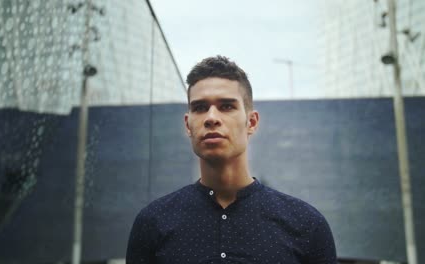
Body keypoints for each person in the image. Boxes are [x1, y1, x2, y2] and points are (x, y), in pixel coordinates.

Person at [126, 56, 337, 263]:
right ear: (188, 125)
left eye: (226, 106)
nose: (211, 118)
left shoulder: (306, 224)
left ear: (251, 122)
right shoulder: (153, 223)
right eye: (199, 107)